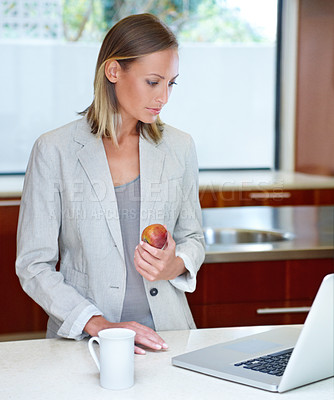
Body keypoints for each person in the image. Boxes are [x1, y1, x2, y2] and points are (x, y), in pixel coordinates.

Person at [15, 13, 205, 355]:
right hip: (85, 342)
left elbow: (193, 238)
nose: (163, 97)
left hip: (169, 338)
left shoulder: (180, 147)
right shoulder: (53, 150)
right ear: (114, 71)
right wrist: (98, 324)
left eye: (171, 83)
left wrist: (175, 263)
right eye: (153, 82)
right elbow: (33, 265)